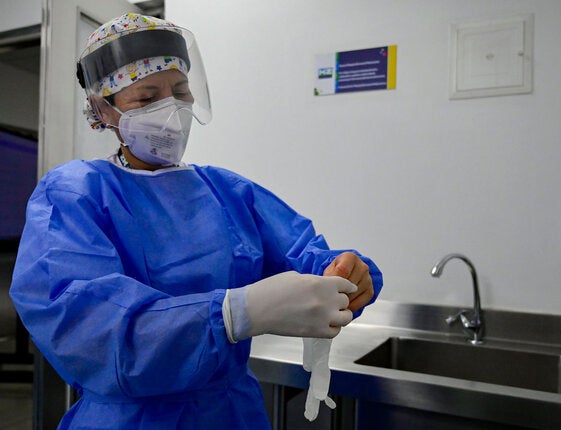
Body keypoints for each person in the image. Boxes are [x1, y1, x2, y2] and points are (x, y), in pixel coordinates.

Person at [10, 13, 382, 429]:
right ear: (104, 109)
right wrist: (233, 314)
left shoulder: (226, 191)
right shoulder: (75, 194)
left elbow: (306, 255)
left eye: (181, 91)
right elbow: (90, 331)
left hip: (232, 413)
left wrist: (347, 274)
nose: (171, 109)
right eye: (147, 98)